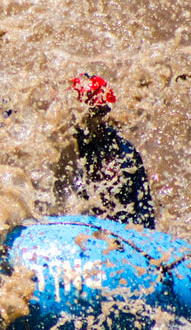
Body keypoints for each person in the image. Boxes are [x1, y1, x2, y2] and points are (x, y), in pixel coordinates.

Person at [52, 73, 156, 228]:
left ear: (107, 112)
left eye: (99, 113)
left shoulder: (123, 153)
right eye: (90, 113)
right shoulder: (59, 147)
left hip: (113, 231)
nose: (94, 120)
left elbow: (143, 212)